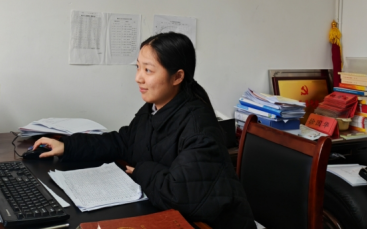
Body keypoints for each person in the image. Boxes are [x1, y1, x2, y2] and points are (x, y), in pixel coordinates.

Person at [34, 32, 256, 228]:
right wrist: (67, 146)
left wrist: (142, 169)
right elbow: (123, 141)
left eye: (148, 70)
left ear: (178, 77)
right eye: (138, 67)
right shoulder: (155, 108)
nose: (138, 78)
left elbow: (179, 194)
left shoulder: (198, 126)